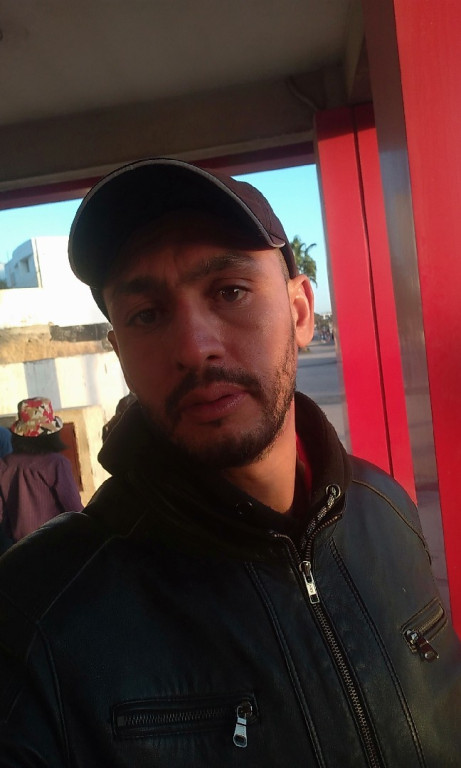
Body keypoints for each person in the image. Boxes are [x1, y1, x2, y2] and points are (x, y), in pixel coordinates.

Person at [0, 159, 459, 767]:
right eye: (147, 315)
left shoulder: (388, 510)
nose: (194, 348)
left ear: (300, 312)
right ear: (121, 351)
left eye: (230, 291)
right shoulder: (36, 612)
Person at [0, 397, 83, 548]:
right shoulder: (56, 463)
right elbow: (73, 508)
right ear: (51, 433)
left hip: (21, 547)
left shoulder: (5, 464)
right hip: (55, 543)